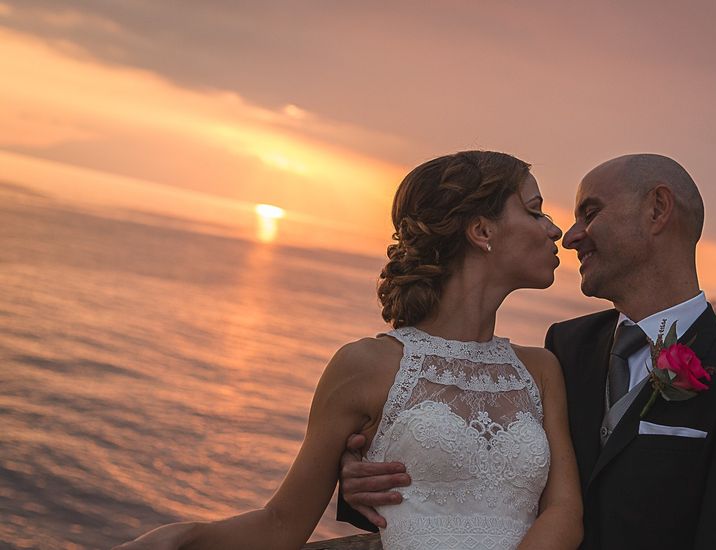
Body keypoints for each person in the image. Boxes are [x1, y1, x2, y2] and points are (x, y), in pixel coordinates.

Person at [113, 151, 583, 550]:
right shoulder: (366, 366)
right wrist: (181, 539)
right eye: (535, 210)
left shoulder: (540, 370)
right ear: (482, 231)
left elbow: (564, 514)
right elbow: (283, 525)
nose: (554, 229)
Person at [338, 154, 716, 549]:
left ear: (657, 210)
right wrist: (368, 480)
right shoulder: (567, 347)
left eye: (591, 213)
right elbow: (489, 474)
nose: (571, 234)